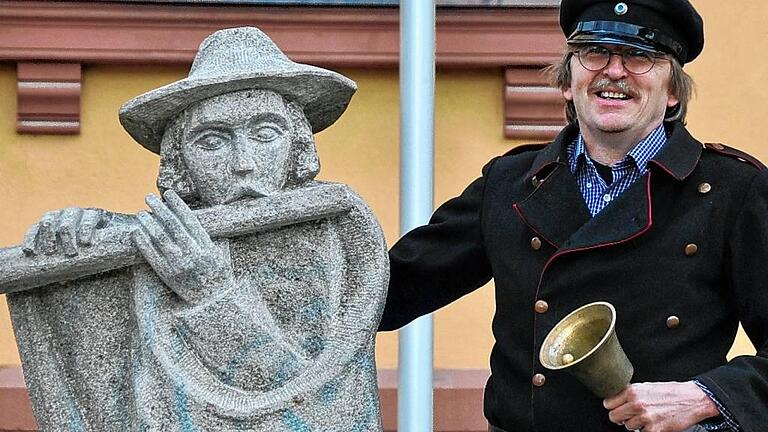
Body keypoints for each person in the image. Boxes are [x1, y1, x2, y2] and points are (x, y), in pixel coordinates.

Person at [379, 1, 768, 431]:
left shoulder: (733, 189)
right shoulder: (509, 182)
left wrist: (705, 396)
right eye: (595, 52)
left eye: (640, 56)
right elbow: (388, 289)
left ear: (673, 90)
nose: (615, 72)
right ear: (568, 82)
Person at [13, 27, 386, 431]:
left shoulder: (343, 234)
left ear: (298, 147)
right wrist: (92, 236)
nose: (243, 163)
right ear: (181, 166)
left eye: (265, 134)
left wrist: (210, 293)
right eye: (211, 141)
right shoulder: (169, 238)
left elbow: (318, 406)